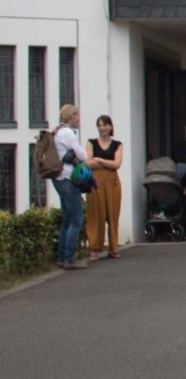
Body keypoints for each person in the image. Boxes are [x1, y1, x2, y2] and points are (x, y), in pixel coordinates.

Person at [51, 104, 89, 269]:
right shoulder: (67, 133)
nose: (79, 118)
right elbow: (82, 155)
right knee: (76, 219)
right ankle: (69, 259)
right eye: (77, 115)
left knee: (67, 220)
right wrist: (79, 157)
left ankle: (61, 257)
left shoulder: (57, 131)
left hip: (58, 179)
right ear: (71, 116)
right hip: (68, 178)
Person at [85, 114, 123, 261]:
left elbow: (117, 164)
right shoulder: (91, 142)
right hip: (95, 181)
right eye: (99, 125)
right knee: (95, 213)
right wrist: (107, 162)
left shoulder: (117, 144)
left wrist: (100, 160)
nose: (102, 128)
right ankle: (93, 248)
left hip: (112, 182)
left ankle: (114, 247)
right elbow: (88, 162)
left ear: (110, 126)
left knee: (113, 214)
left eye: (105, 125)